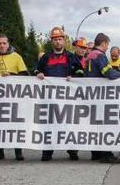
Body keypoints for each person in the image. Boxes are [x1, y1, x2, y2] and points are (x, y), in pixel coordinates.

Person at [36, 26, 84, 161]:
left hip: (67, 98)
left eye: (60, 39)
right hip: (49, 98)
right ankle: (47, 152)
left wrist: (73, 77)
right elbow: (36, 70)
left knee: (69, 124)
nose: (58, 42)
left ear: (64, 40)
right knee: (49, 124)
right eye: (55, 39)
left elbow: (81, 73)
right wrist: (39, 74)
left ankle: (72, 150)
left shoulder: (71, 57)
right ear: (52, 41)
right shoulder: (46, 57)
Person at [0, 33, 29, 162]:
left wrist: (12, 75)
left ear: (8, 44)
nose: (2, 45)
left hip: (13, 98)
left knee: (15, 124)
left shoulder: (16, 57)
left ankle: (18, 151)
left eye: (4, 43)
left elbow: (25, 75)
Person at [84, 33, 120, 164]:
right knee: (105, 126)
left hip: (91, 95)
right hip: (101, 96)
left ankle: (95, 153)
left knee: (95, 126)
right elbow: (108, 73)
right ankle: (106, 154)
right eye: (107, 45)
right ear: (103, 43)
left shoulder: (89, 56)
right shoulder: (100, 56)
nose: (107, 48)